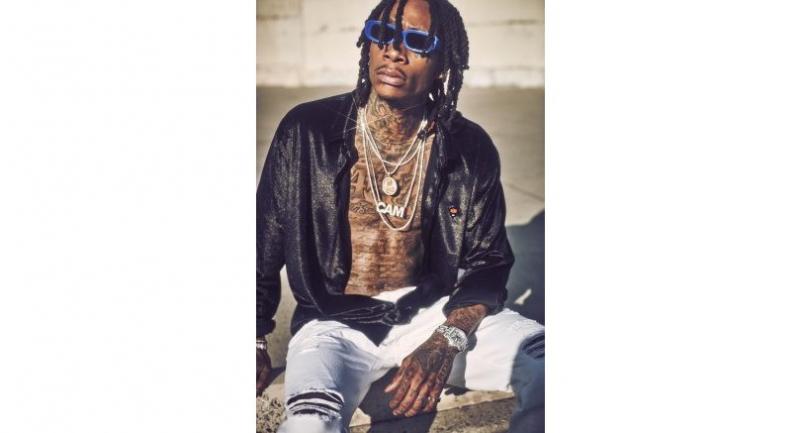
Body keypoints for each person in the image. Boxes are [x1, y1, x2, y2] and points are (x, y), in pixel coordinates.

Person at [256, 1, 544, 432]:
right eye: (382, 34)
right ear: (368, 45)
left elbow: (489, 263)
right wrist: (253, 337)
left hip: (434, 315)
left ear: (444, 64)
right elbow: (262, 243)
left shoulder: (468, 148)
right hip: (333, 325)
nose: (394, 51)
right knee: (310, 422)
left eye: (416, 41)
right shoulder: (307, 131)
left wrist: (446, 340)